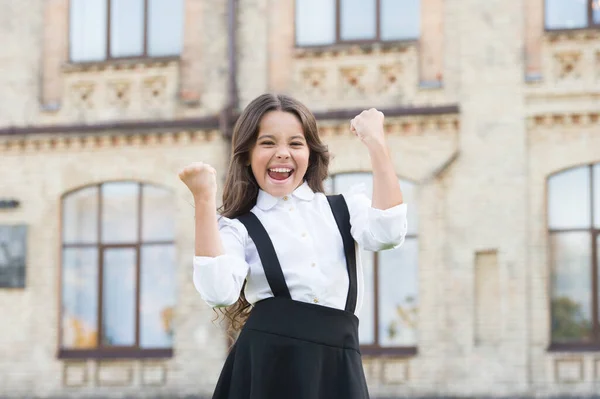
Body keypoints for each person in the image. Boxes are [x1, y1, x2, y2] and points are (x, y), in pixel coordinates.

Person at [178, 93, 408, 399]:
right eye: (268, 143)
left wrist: (376, 143)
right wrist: (204, 199)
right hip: (267, 370)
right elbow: (218, 292)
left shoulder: (344, 208)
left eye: (295, 144)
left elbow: (389, 233)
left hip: (338, 368)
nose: (283, 153)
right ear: (247, 154)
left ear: (311, 153)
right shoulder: (239, 228)